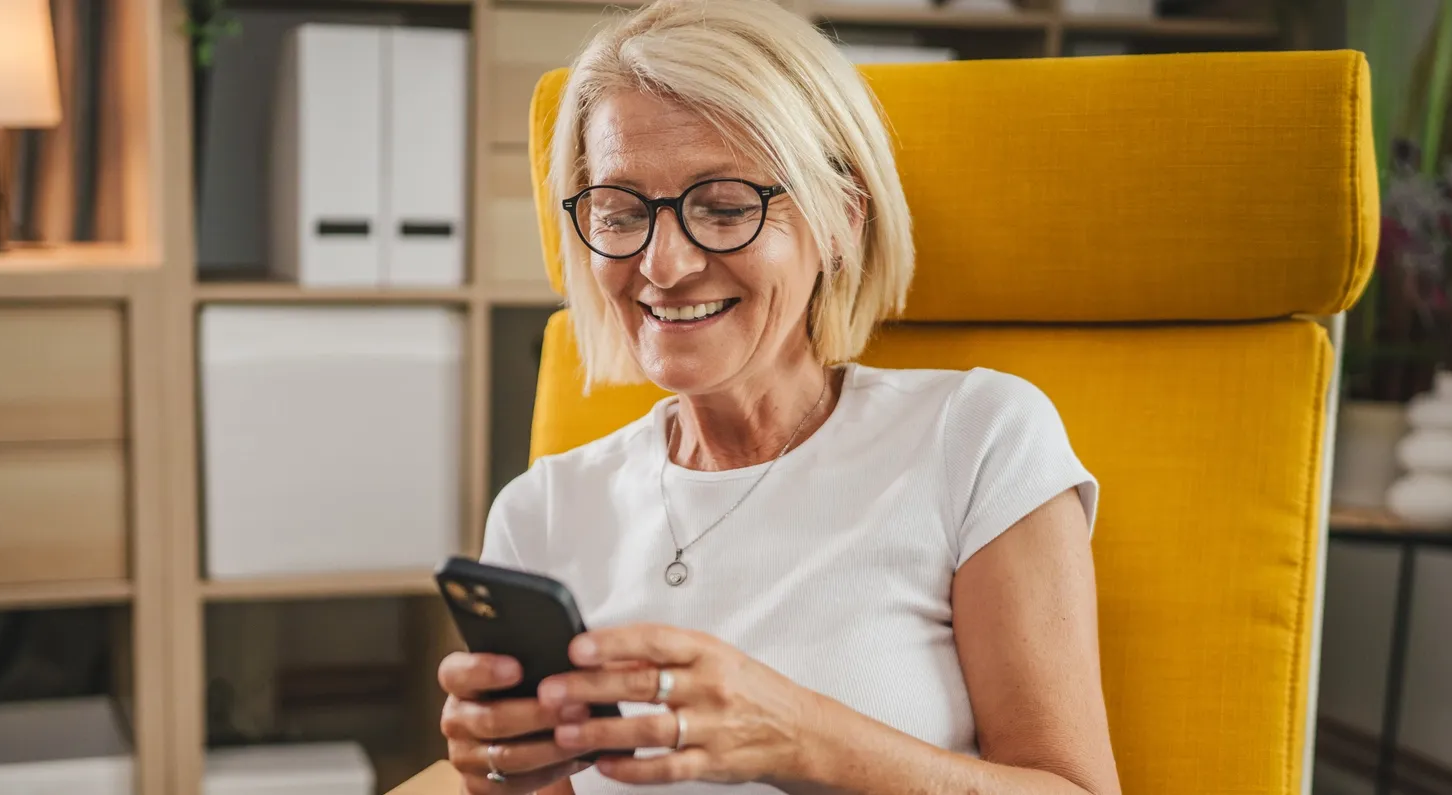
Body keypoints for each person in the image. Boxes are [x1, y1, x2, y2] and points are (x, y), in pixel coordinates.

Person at [438, 1, 1118, 792]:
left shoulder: (977, 437)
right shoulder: (540, 512)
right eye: (621, 213)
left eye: (723, 207)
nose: (662, 264)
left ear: (838, 222)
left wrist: (798, 736)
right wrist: (504, 776)